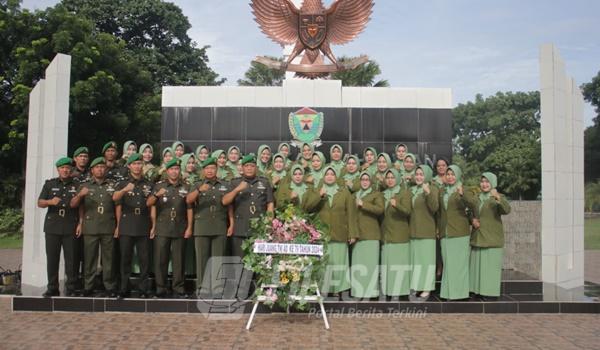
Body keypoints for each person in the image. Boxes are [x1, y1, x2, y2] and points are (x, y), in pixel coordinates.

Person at [70, 157, 118, 297]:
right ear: (92, 170)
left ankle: (109, 286)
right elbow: (75, 205)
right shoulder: (85, 186)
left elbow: (118, 206)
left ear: (106, 169)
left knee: (108, 259)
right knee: (89, 258)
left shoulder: (112, 185)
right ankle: (88, 286)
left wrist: (117, 225)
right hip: (90, 226)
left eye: (102, 167)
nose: (100, 169)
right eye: (97, 167)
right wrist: (80, 195)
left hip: (108, 226)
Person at [186, 156, 233, 297]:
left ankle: (217, 288)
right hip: (202, 226)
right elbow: (188, 200)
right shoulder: (197, 184)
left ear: (216, 169)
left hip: (219, 224)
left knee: (218, 258)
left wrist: (231, 223)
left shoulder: (224, 185)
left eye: (212, 168)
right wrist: (200, 190)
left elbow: (230, 205)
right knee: (202, 259)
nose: (210, 171)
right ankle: (202, 287)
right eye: (207, 168)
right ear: (203, 170)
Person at [147, 158, 192, 298]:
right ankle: (160, 288)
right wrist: (156, 195)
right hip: (162, 226)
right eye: (172, 169)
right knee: (161, 259)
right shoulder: (159, 186)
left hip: (179, 226)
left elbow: (190, 208)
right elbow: (149, 204)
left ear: (179, 171)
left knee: (179, 260)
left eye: (177, 169)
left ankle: (178, 288)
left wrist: (189, 227)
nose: (174, 171)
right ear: (167, 171)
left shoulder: (185, 186)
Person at [112, 153, 153, 298]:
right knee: (125, 258)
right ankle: (123, 288)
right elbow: (115, 199)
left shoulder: (148, 183)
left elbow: (152, 206)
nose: (137, 166)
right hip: (127, 223)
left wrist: (153, 225)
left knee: (144, 259)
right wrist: (124, 190)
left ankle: (143, 289)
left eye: (139, 163)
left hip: (143, 223)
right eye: (134, 164)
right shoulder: (123, 183)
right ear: (129, 166)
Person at [37, 157, 79, 297]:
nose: (65, 170)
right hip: (53, 226)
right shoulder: (50, 184)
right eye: (62, 168)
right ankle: (52, 287)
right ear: (58, 169)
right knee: (52, 258)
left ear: (71, 169)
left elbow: (81, 206)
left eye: (68, 168)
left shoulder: (77, 185)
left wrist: (80, 223)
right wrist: (50, 201)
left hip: (70, 224)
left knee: (71, 259)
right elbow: (40, 202)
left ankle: (71, 287)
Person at [314, 166, 358, 296]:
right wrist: (319, 196)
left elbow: (351, 214)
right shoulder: (318, 191)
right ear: (323, 176)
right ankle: (324, 289)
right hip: (322, 234)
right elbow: (308, 207)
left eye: (332, 174)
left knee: (339, 263)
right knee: (324, 264)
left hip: (340, 233)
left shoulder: (344, 192)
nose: (329, 176)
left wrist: (352, 233)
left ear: (336, 177)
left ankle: (339, 290)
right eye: (327, 174)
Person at [222, 154, 274, 258]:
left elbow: (270, 203)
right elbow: (225, 202)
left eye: (252, 166)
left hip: (259, 228)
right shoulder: (234, 182)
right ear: (242, 168)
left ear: (256, 167)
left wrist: (269, 223)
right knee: (240, 260)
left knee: (259, 262)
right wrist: (237, 189)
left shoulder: (264, 182)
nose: (249, 168)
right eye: (246, 166)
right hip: (240, 228)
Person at [438, 165, 478, 300]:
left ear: (458, 176)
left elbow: (474, 204)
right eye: (448, 174)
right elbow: (440, 212)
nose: (450, 177)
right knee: (448, 264)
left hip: (460, 233)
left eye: (453, 174)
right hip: (446, 232)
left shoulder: (464, 189)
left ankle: (460, 294)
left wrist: (463, 194)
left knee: (459, 265)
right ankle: (447, 293)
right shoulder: (442, 191)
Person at [470, 172, 511, 300]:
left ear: (493, 183)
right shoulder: (476, 197)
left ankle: (490, 293)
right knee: (478, 267)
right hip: (478, 236)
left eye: (487, 182)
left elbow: (507, 210)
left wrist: (498, 197)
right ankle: (477, 291)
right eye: (482, 181)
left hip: (492, 238)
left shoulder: (498, 197)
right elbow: (469, 211)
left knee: (490, 268)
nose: (484, 184)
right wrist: (472, 220)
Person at [351, 172, 384, 299]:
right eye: (363, 179)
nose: (365, 181)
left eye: (367, 179)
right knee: (358, 265)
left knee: (370, 266)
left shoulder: (376, 194)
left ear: (371, 182)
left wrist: (363, 204)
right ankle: (358, 292)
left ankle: (370, 292)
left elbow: (380, 210)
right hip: (357, 235)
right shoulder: (354, 195)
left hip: (371, 235)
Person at [380, 169, 412, 298]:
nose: (390, 179)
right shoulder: (382, 194)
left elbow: (407, 211)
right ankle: (388, 291)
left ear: (398, 178)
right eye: (387, 177)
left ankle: (401, 291)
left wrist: (396, 204)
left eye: (393, 177)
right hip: (386, 235)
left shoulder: (404, 193)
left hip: (399, 235)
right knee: (388, 265)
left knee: (399, 265)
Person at [409, 165, 439, 300]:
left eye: (422, 174)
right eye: (417, 174)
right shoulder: (412, 190)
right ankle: (417, 287)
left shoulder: (432, 189)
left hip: (427, 232)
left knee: (426, 262)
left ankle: (427, 288)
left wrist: (428, 193)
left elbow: (434, 208)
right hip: (414, 231)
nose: (419, 177)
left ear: (427, 175)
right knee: (416, 262)